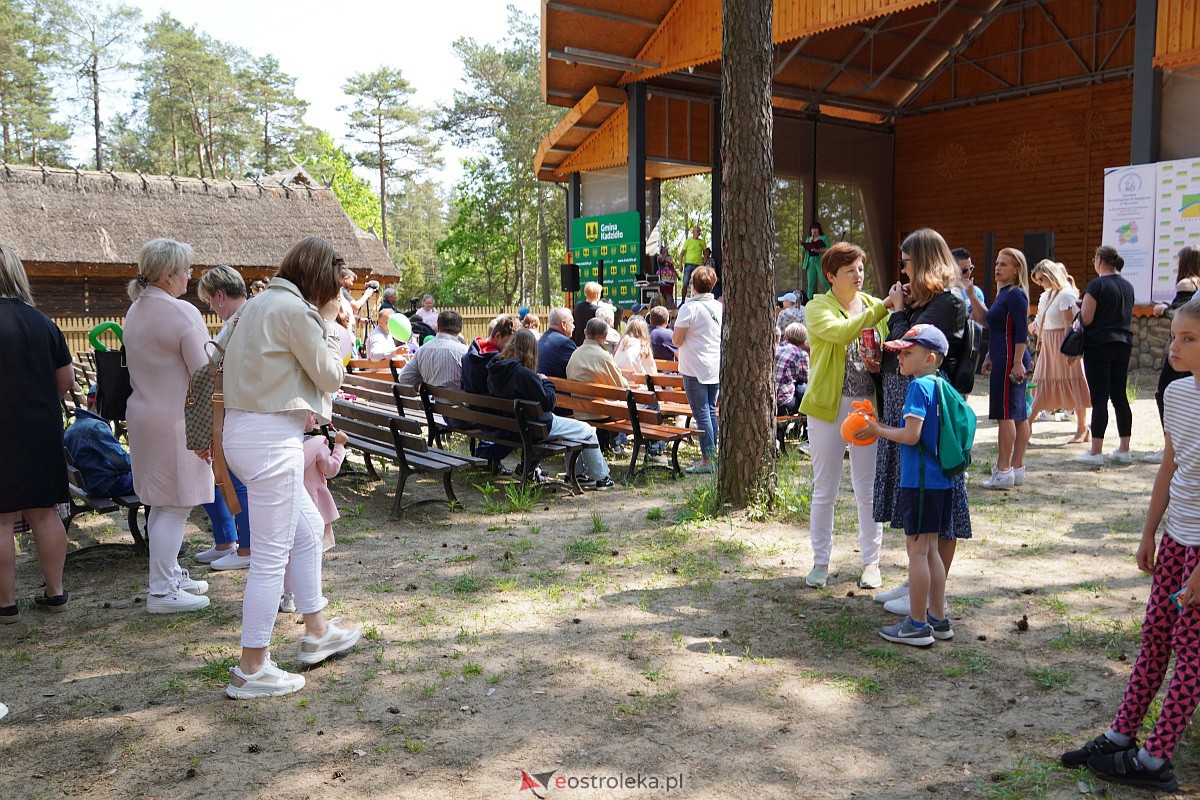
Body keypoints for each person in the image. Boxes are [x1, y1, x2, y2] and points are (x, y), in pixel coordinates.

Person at [1058, 297, 1200, 793]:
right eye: (1175, 336)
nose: (1174, 347)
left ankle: (1154, 760)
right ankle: (1121, 734)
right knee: (1156, 636)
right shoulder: (1177, 393)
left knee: (1191, 652)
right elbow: (1169, 466)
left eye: (1189, 339)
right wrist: (1149, 532)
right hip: (1176, 538)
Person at [222, 236, 361, 699]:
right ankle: (252, 667)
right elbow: (331, 376)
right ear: (321, 280)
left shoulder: (256, 303)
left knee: (307, 529)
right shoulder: (297, 311)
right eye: (335, 287)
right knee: (269, 558)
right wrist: (329, 321)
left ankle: (317, 630)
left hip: (246, 433)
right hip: (270, 440)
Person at [873, 229, 970, 615]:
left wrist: (898, 311)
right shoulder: (926, 300)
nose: (903, 270)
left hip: (930, 416)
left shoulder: (948, 301)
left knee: (939, 506)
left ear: (925, 261)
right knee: (913, 503)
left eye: (907, 262)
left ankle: (931, 596)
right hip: (904, 403)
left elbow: (912, 343)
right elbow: (897, 349)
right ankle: (916, 580)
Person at [123, 239, 213, 613]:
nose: (190, 276)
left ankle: (170, 574)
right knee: (175, 505)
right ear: (168, 274)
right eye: (186, 270)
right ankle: (161, 590)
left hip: (145, 415)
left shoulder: (135, 309)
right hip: (177, 420)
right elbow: (205, 373)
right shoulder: (180, 312)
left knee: (162, 502)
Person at [856, 325, 956, 646]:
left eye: (907, 353)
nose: (899, 358)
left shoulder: (917, 388)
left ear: (929, 358)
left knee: (917, 552)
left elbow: (911, 436)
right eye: (899, 352)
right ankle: (937, 618)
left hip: (919, 482)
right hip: (940, 481)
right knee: (931, 551)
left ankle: (917, 624)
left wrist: (878, 429)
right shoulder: (942, 384)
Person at [799, 242, 887, 589]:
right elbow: (840, 332)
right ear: (831, 275)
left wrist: (879, 362)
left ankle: (871, 563)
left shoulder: (873, 306)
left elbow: (886, 350)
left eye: (861, 268)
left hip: (867, 407)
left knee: (868, 488)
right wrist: (882, 309)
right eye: (850, 270)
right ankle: (820, 562)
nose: (858, 275)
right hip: (827, 407)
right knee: (825, 489)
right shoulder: (817, 306)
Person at [0, 244, 71, 622]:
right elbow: (66, 379)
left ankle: (6, 603)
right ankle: (55, 592)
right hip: (39, 428)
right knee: (45, 514)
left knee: (0, 519)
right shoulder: (42, 322)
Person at [486, 329, 615, 490]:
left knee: (574, 430)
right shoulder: (523, 374)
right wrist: (546, 381)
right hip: (536, 428)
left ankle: (578, 475)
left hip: (512, 428)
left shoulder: (495, 370)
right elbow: (549, 402)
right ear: (531, 350)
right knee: (587, 430)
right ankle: (601, 477)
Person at [194, 265, 254, 570]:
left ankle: (247, 548)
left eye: (209, 301)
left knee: (238, 483)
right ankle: (244, 545)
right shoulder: (243, 319)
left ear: (219, 295)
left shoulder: (240, 322)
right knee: (234, 481)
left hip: (239, 411)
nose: (211, 308)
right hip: (235, 410)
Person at [1073, 245, 1136, 466]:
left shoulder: (1096, 285)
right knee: (1120, 396)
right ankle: (1124, 449)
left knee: (1099, 399)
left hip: (1099, 345)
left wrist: (1078, 309)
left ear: (1099, 260)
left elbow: (1087, 318)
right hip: (1123, 342)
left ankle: (1096, 451)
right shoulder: (1127, 286)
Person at [980, 247, 1032, 490]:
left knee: (1007, 414)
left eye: (1003, 264)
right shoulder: (1003, 294)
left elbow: (1021, 331)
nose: (997, 268)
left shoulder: (1015, 295)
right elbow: (996, 327)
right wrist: (990, 353)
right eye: (997, 263)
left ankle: (1003, 470)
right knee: (1017, 413)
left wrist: (1017, 362)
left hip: (1011, 359)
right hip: (1004, 355)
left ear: (1016, 269)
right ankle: (1016, 469)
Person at [1145, 245, 1200, 463]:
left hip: (1183, 352)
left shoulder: (1185, 283)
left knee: (1164, 392)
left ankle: (1170, 444)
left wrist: (1164, 310)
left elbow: (1184, 315)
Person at [1028, 260, 1091, 444]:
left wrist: (1070, 351)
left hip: (1060, 343)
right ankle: (1027, 424)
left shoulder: (1065, 294)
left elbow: (1068, 324)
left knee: (1072, 381)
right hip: (1048, 343)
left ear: (1050, 275)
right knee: (1040, 382)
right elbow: (1042, 319)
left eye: (1041, 279)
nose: (1040, 283)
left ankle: (1082, 428)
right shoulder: (1046, 295)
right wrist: (1037, 332)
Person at [673, 265, 722, 474]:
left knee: (702, 414)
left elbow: (676, 340)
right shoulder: (719, 307)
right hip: (715, 365)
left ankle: (708, 459)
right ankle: (712, 455)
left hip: (694, 367)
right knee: (710, 411)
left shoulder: (689, 308)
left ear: (693, 285)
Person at [397, 310, 468, 389]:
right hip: (457, 396)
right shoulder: (465, 352)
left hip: (430, 396)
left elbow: (404, 377)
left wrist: (424, 383)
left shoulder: (422, 350)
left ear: (438, 326)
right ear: (460, 328)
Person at [461, 313, 520, 394]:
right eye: (510, 343)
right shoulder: (498, 362)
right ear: (498, 336)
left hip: (469, 402)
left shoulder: (467, 356)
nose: (513, 348)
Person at [568, 318, 628, 388]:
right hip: (597, 395)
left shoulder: (575, 353)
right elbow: (622, 385)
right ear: (605, 335)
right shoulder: (604, 357)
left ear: (585, 332)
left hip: (575, 394)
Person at [775, 322, 809, 417]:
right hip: (784, 405)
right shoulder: (802, 354)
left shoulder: (777, 348)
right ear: (803, 342)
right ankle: (806, 420)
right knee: (802, 387)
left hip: (770, 401)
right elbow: (806, 379)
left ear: (785, 337)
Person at [614, 316, 657, 383]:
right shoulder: (644, 348)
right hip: (637, 386)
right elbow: (652, 373)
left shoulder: (621, 344)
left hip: (619, 384)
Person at [951, 247, 988, 323]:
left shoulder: (975, 291)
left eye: (970, 268)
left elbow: (984, 320)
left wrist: (972, 295)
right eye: (964, 270)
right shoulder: (944, 292)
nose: (969, 273)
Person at [537, 307, 577, 378]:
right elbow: (578, 370)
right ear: (563, 324)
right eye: (572, 322)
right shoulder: (566, 344)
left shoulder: (541, 340)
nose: (573, 326)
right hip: (555, 384)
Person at [803, 222, 831, 298]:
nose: (814, 230)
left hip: (820, 261)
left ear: (819, 230)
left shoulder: (823, 238)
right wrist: (809, 241)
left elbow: (829, 249)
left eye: (816, 228)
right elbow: (804, 249)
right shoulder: (809, 238)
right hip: (810, 261)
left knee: (823, 281)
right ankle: (809, 301)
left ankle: (831, 297)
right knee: (810, 283)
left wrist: (818, 251)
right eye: (812, 229)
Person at [678, 225, 706, 301]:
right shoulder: (688, 241)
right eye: (696, 231)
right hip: (688, 265)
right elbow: (681, 253)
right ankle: (683, 301)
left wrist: (704, 263)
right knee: (685, 283)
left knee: (697, 284)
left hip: (698, 266)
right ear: (692, 232)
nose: (697, 233)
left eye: (698, 231)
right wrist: (680, 265)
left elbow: (706, 253)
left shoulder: (702, 242)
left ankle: (697, 300)